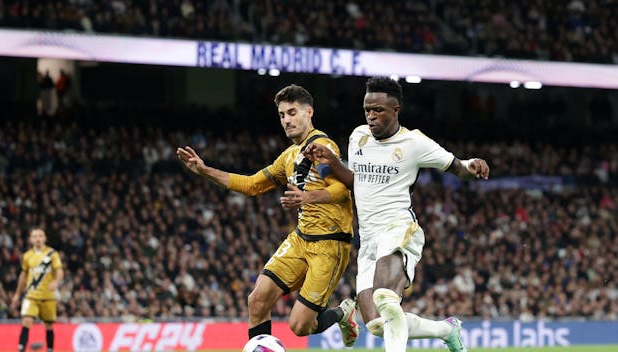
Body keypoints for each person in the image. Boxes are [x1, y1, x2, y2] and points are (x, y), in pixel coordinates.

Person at [302, 77, 490, 352]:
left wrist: (472, 164)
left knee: (385, 298)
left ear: (395, 110)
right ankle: (446, 329)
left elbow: (458, 166)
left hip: (398, 227)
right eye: (367, 109)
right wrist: (331, 163)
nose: (371, 116)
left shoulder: (414, 143)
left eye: (378, 110)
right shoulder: (358, 137)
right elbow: (358, 181)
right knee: (378, 324)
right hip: (368, 240)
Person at [176, 84, 359, 342]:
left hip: (330, 245)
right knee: (258, 300)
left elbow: (342, 189)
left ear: (309, 112)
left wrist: (308, 197)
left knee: (299, 326)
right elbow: (251, 185)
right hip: (301, 238)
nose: (286, 120)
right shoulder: (288, 156)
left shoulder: (321, 146)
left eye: (292, 112)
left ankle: (342, 313)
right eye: (282, 114)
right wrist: (205, 170)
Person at [11, 228, 64, 352]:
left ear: (45, 238)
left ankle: (50, 349)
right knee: (26, 320)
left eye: (40, 236)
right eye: (35, 236)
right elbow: (23, 275)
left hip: (48, 296)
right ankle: (21, 349)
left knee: (49, 326)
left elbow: (59, 270)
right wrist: (17, 294)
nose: (38, 239)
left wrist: (56, 281)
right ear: (30, 239)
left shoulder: (52, 254)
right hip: (32, 296)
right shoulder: (27, 256)